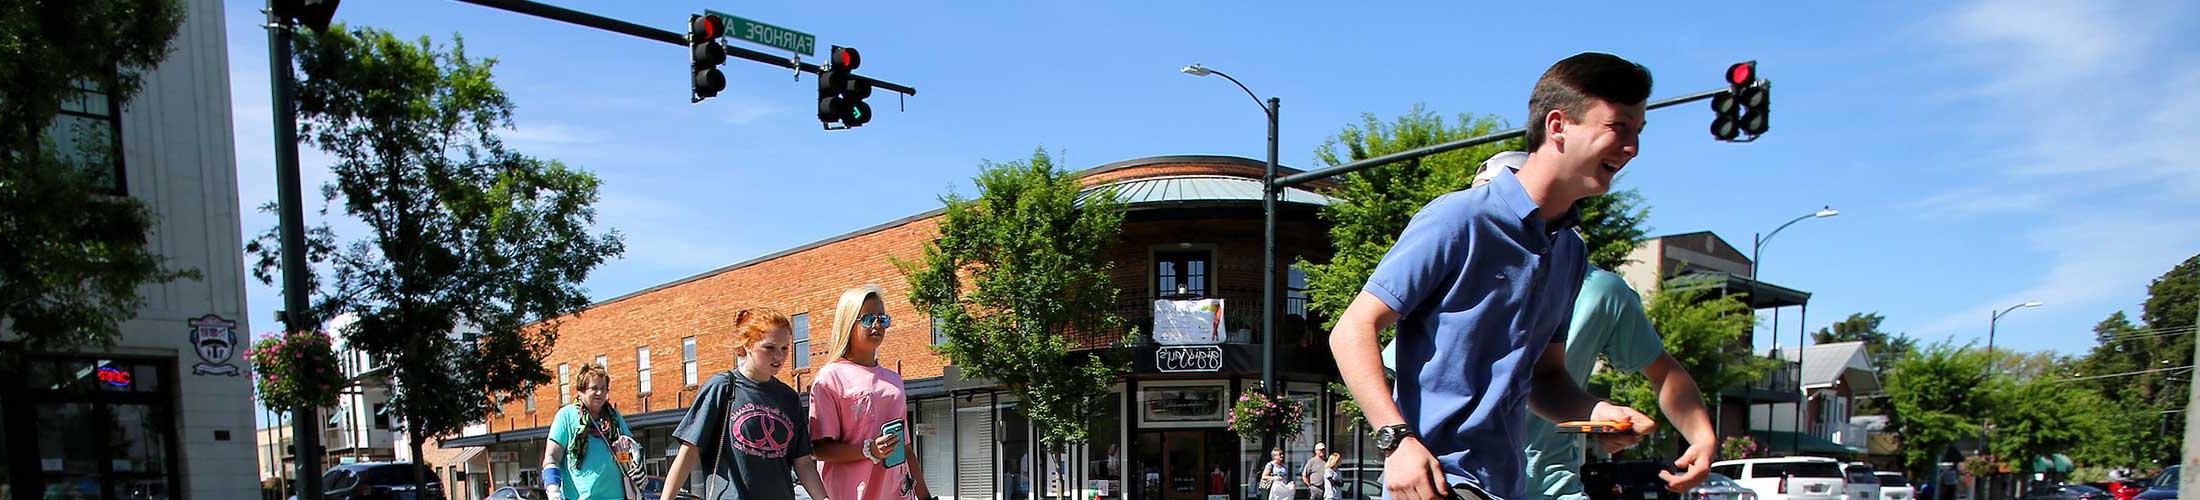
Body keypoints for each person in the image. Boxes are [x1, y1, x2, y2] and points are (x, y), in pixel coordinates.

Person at [1330, 52, 1660, 500]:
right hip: (1438, 483)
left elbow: (1545, 380)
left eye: (1637, 133)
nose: (1632, 148)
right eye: (1618, 127)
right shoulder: (1460, 219)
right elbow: (1352, 329)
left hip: (1505, 484)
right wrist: (1396, 440)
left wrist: (1599, 412)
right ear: (1558, 126)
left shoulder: (1569, 251)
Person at [659, 308, 831, 500]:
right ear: (748, 345)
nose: (779, 356)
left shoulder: (789, 398)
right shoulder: (723, 387)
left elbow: (803, 462)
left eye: (784, 348)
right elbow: (689, 451)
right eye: (769, 347)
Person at [810, 285, 933, 500]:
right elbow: (819, 449)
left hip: (895, 493)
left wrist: (925, 496)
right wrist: (869, 450)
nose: (877, 325)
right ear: (848, 322)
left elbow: (904, 448)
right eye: (867, 319)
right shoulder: (829, 378)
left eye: (882, 319)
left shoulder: (894, 381)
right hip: (848, 493)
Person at [544, 362, 640, 500]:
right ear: (581, 391)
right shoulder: (566, 416)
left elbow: (628, 455)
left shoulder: (615, 417)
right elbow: (551, 457)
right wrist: (553, 491)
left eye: (603, 388)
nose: (600, 393)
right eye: (594, 388)